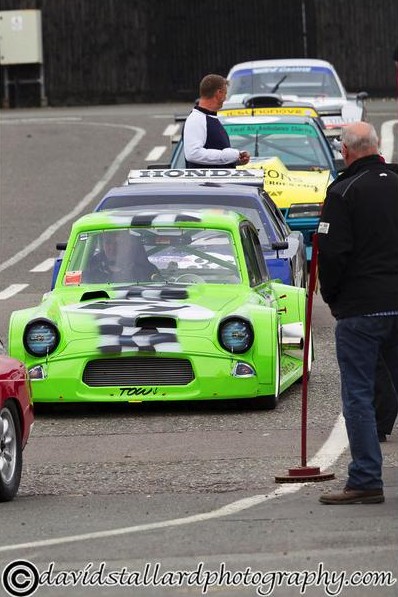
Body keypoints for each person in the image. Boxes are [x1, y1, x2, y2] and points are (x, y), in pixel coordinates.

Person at [317, 121, 398, 505]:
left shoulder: (343, 191)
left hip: (362, 309)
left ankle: (366, 478)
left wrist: (333, 299)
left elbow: (332, 253)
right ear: (377, 146)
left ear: (346, 152)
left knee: (359, 396)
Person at [183, 73, 250, 169]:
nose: (225, 98)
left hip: (217, 183)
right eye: (225, 93)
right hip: (205, 184)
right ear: (219, 93)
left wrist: (235, 160)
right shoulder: (196, 119)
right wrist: (228, 155)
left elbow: (213, 159)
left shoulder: (208, 118)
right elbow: (193, 154)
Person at [84, 231, 159, 283]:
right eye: (108, 242)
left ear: (127, 245)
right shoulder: (89, 268)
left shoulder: (147, 271)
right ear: (103, 244)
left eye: (118, 243)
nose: (112, 247)